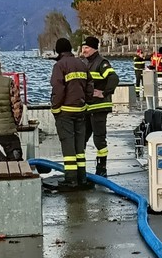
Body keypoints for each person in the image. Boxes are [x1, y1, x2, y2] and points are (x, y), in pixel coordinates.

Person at [51, 38, 94, 190]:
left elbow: (58, 89)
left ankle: (71, 179)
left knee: (68, 146)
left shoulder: (59, 66)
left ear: (58, 50)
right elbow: (90, 86)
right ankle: (82, 177)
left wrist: (55, 108)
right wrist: (86, 102)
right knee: (79, 147)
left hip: (66, 112)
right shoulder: (82, 64)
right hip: (81, 110)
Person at [81, 36, 119, 178]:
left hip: (99, 107)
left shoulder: (101, 63)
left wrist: (104, 93)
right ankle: (81, 167)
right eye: (83, 47)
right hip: (88, 107)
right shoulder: (85, 63)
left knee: (99, 139)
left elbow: (114, 78)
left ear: (94, 48)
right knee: (82, 137)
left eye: (86, 48)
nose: (83, 50)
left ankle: (101, 168)